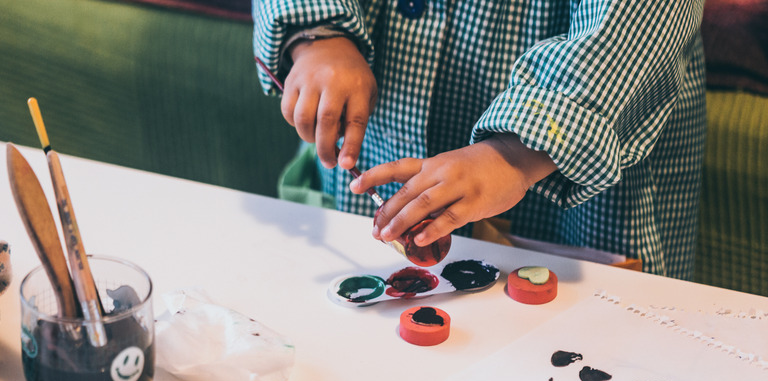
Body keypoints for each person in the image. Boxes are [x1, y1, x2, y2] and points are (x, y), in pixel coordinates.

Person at [253, 0, 706, 279]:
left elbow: (638, 21)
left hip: (574, 175)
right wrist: (315, 35)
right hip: (377, 136)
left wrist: (514, 154)